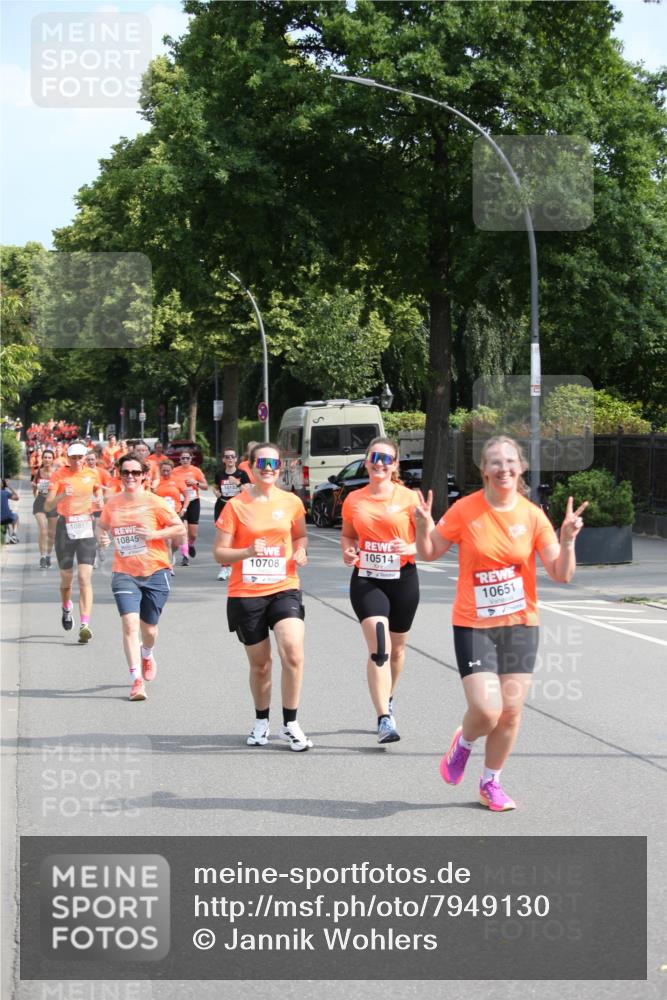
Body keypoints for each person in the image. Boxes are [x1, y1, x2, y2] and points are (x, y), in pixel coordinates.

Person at [415, 435, 588, 812]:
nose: (503, 467)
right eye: (495, 462)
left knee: (510, 712)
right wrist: (422, 524)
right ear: (484, 470)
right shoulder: (465, 510)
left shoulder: (532, 515)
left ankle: (490, 783)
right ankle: (463, 744)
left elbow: (561, 574)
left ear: (521, 467)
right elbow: (428, 552)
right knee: (487, 710)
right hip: (473, 624)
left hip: (521, 625)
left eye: (510, 461)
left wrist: (568, 539)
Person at [213, 442, 312, 751]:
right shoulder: (236, 506)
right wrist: (245, 551)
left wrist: (301, 550)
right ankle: (260, 722)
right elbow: (219, 553)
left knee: (293, 652)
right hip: (246, 592)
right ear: (251, 468)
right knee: (261, 665)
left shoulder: (292, 501)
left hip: (284, 586)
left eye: (274, 464)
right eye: (262, 464)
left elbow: (300, 535)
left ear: (279, 468)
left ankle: (291, 723)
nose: (269, 469)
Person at [340, 437, 420, 744]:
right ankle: (384, 718)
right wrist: (348, 552)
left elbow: (429, 542)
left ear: (395, 465)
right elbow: (348, 536)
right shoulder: (354, 499)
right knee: (381, 647)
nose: (380, 463)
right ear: (366, 459)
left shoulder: (410, 499)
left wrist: (409, 545)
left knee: (398, 649)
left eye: (387, 458)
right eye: (375, 456)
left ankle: (388, 696)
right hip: (368, 578)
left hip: (403, 577)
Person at [97, 452, 185, 701]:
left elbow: (178, 528)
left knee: (150, 629)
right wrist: (101, 537)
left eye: (136, 472)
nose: (130, 477)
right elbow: (101, 526)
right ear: (120, 474)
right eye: (126, 472)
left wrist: (153, 535)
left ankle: (147, 652)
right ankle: (136, 680)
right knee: (129, 624)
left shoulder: (155, 502)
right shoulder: (113, 503)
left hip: (156, 571)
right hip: (124, 572)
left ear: (145, 475)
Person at [44, 442, 102, 642]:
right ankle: (66, 607)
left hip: (85, 528)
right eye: (73, 457)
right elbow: (48, 504)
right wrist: (62, 494)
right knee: (67, 578)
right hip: (65, 528)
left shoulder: (93, 473)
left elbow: (98, 489)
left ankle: (85, 624)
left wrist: (99, 498)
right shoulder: (59, 475)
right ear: (68, 458)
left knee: (84, 578)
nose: (77, 461)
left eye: (80, 457)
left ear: (85, 457)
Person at [212, 447, 250, 581]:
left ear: (236, 459)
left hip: (238, 508)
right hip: (222, 506)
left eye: (232, 457)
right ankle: (224, 567)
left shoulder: (242, 474)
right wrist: (215, 491)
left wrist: (238, 483)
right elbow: (216, 486)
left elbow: (249, 490)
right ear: (223, 459)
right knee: (224, 538)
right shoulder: (220, 473)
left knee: (238, 538)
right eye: (227, 457)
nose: (229, 459)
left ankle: (238, 565)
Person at [172, 449, 208, 564]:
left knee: (193, 534)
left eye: (187, 458)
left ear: (191, 459)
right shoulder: (175, 471)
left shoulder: (196, 471)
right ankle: (185, 556)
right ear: (180, 460)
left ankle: (190, 544)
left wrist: (195, 483)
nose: (185, 460)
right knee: (184, 529)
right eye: (183, 458)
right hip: (181, 502)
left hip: (193, 501)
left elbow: (205, 486)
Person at [153, 458, 188, 574]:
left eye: (168, 470)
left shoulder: (177, 480)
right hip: (162, 516)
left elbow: (187, 495)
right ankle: (169, 566)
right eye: (164, 471)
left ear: (172, 470)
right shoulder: (157, 482)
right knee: (166, 541)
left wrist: (184, 508)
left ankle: (173, 553)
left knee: (175, 542)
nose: (166, 473)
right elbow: (152, 496)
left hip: (176, 513)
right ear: (160, 470)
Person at [32, 448, 58, 566]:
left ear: (53, 460)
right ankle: (42, 557)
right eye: (45, 457)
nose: (47, 459)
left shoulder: (57, 473)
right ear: (42, 459)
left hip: (52, 502)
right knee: (43, 529)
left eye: (49, 457)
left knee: (52, 533)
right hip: (40, 501)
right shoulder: (38, 472)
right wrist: (35, 489)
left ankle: (48, 555)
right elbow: (34, 486)